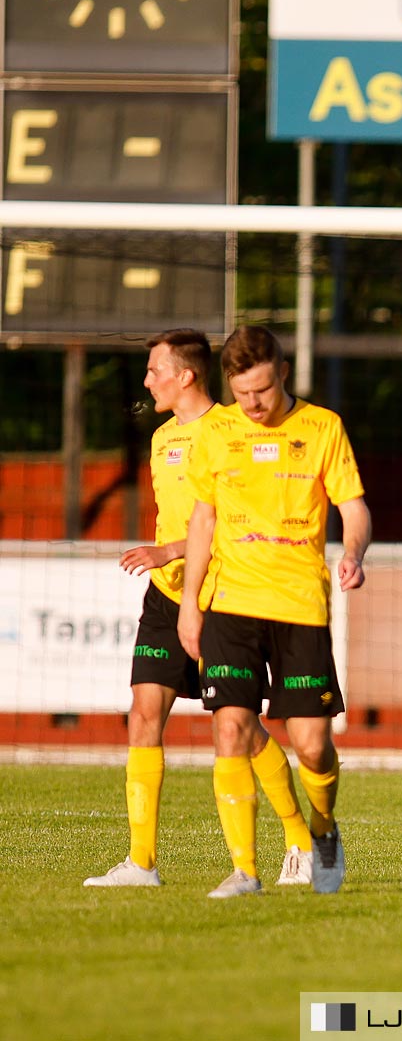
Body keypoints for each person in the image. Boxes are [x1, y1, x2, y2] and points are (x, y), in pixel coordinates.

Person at [84, 329, 315, 889]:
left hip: (225, 598)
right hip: (167, 597)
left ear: (185, 375)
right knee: (143, 714)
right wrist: (167, 561)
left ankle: (302, 842)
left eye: (154, 369)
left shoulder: (235, 434)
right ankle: (142, 863)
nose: (147, 380)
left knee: (240, 727)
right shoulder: (163, 438)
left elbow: (239, 524)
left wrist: (169, 549)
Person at [177, 326, 372, 898]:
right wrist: (191, 602)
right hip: (231, 604)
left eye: (262, 391)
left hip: (300, 605)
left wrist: (353, 552)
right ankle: (245, 871)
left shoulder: (323, 428)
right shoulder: (217, 433)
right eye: (242, 394)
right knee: (231, 727)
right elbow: (202, 520)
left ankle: (324, 827)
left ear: (282, 373)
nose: (253, 405)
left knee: (312, 744)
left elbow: (354, 507)